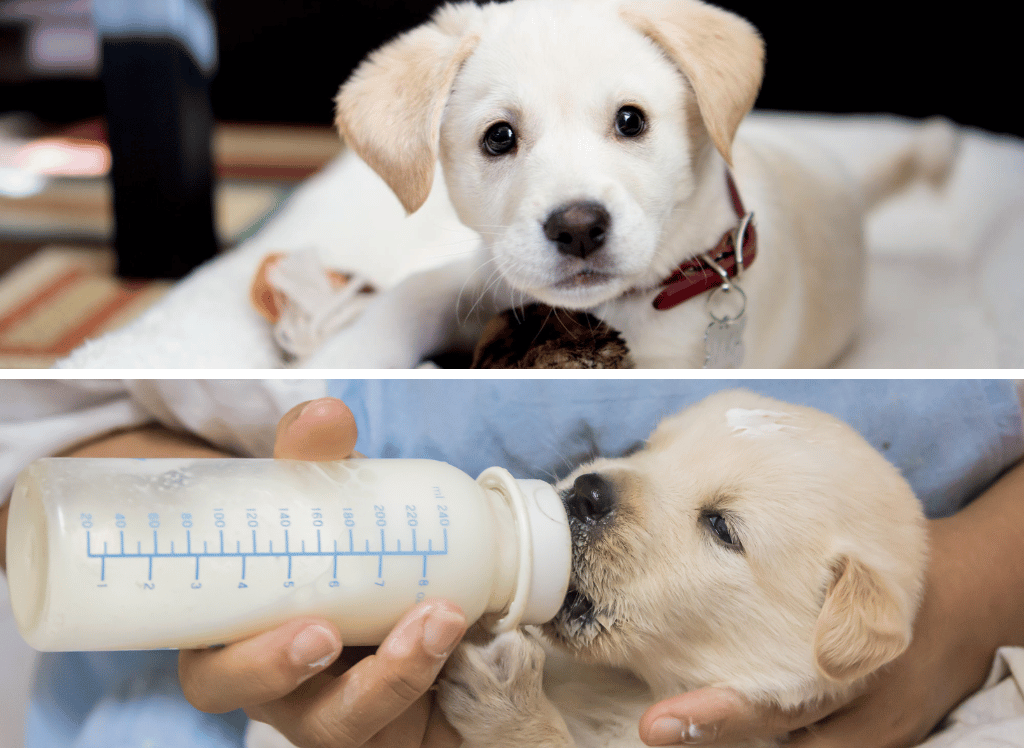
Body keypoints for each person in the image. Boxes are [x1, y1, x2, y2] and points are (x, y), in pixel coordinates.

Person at [1, 379, 1022, 748]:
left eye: (716, 524)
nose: (604, 483)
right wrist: (245, 531)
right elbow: (41, 443)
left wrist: (971, 589)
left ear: (840, 624)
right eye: (653, 448)